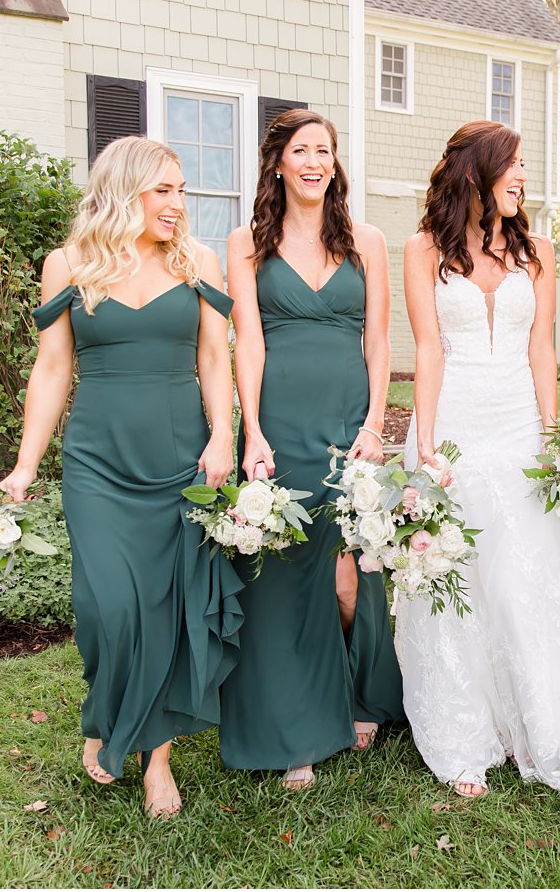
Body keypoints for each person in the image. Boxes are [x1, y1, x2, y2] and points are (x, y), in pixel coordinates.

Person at [0, 136, 243, 819]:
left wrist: (223, 434)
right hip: (98, 462)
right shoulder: (69, 263)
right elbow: (52, 368)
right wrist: (24, 466)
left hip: (179, 460)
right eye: (163, 190)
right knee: (109, 607)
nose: (178, 203)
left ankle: (156, 758)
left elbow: (214, 359)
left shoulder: (197, 261)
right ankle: (108, 709)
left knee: (164, 608)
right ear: (124, 188)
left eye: (182, 190)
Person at [396, 120, 560, 798]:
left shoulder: (538, 249)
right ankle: (466, 736)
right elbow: (430, 349)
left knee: (525, 573)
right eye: (516, 166)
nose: (524, 178)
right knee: (462, 578)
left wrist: (554, 436)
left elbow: (539, 350)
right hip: (458, 423)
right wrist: (429, 443)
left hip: (520, 425)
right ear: (477, 172)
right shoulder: (421, 250)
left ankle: (544, 720)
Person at [218, 109, 403, 791]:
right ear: (278, 163)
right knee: (284, 578)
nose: (315, 160)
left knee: (353, 569)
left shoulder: (367, 240)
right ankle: (293, 726)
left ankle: (359, 692)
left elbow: (379, 342)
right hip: (280, 424)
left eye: (325, 149)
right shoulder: (247, 242)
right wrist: (254, 428)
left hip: (349, 422)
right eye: (302, 150)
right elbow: (252, 342)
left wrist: (375, 424)